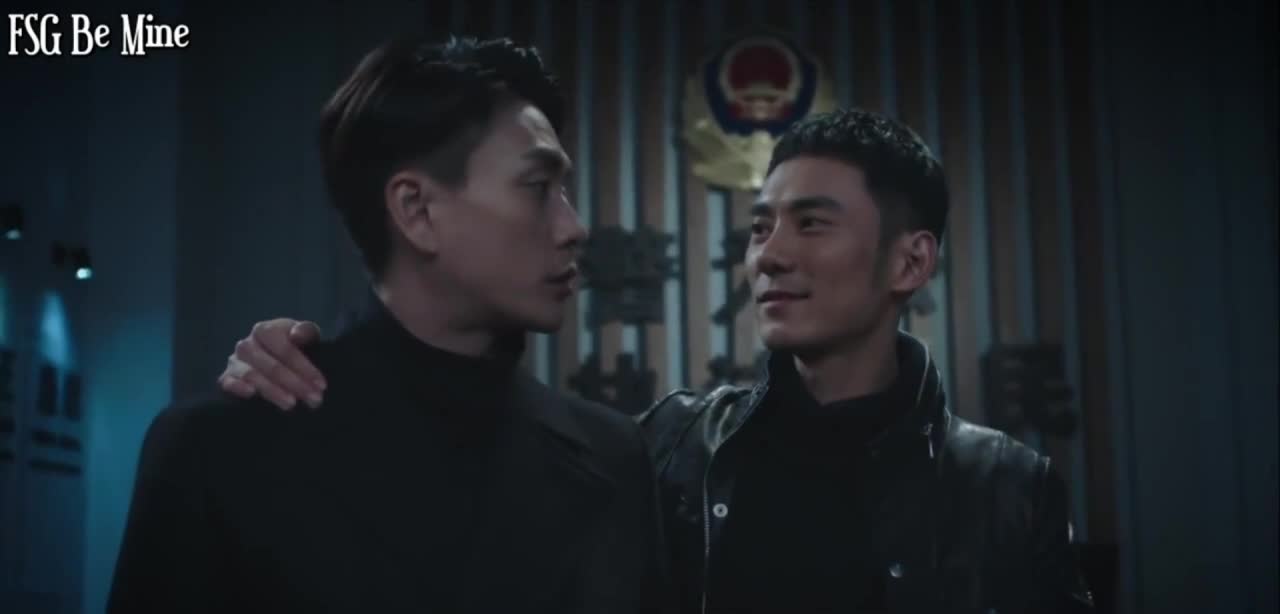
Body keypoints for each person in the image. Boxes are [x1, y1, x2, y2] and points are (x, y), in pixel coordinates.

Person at [218, 109, 1095, 613]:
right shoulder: (673, 447)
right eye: (761, 227)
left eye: (812, 224)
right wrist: (331, 370)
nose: (769, 256)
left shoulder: (1008, 488)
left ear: (910, 261)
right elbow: (470, 482)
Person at [109, 36, 673, 614]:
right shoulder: (221, 452)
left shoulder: (614, 458)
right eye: (537, 187)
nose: (573, 227)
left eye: (564, 190)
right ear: (416, 210)